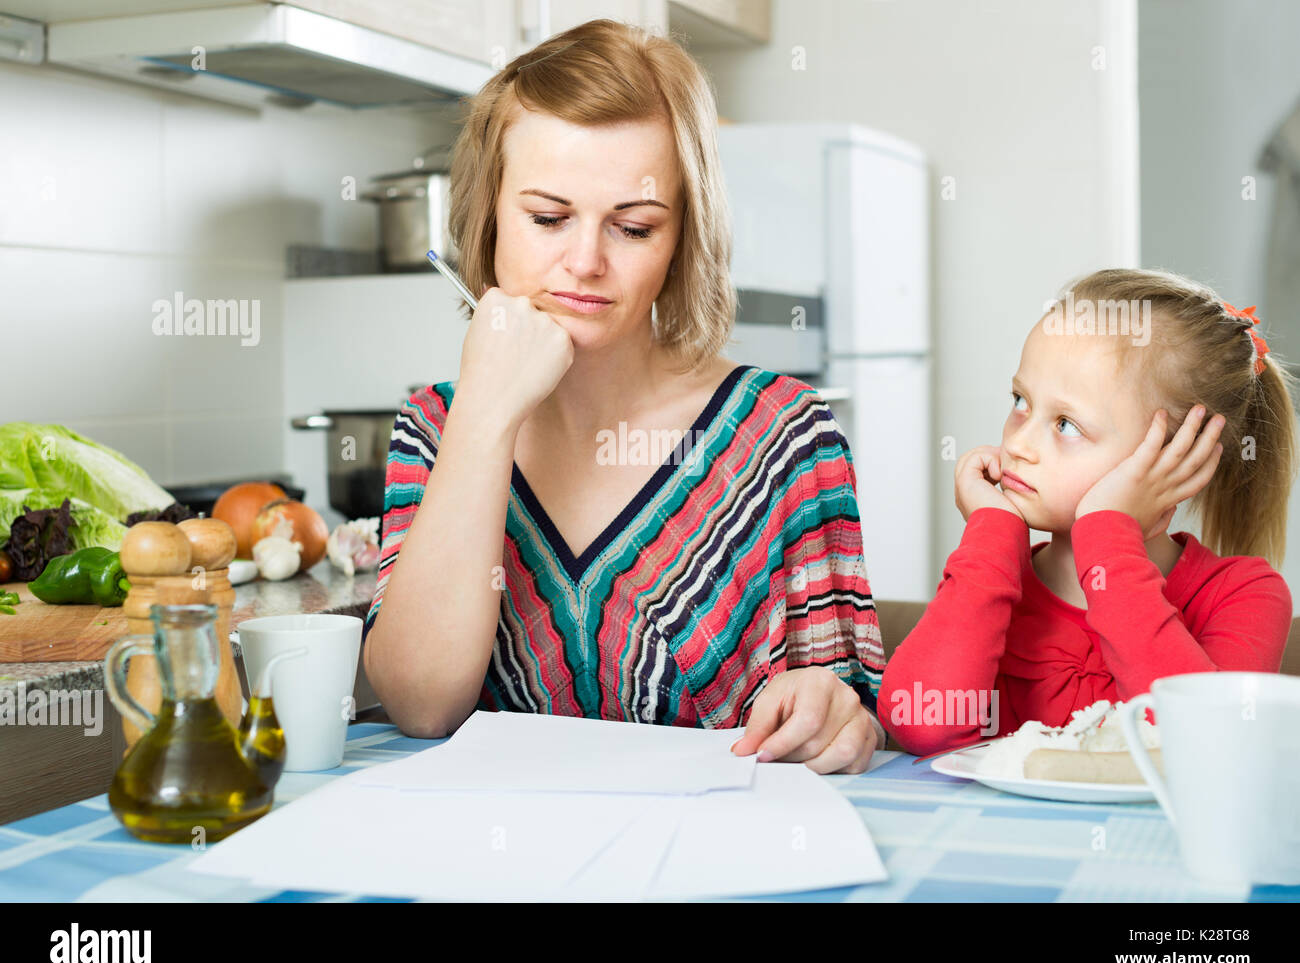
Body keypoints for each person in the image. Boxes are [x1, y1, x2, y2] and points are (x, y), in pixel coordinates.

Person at [362, 20, 887, 774]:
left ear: (682, 239)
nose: (584, 262)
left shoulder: (787, 437)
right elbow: (420, 703)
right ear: (488, 218)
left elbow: (847, 708)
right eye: (547, 219)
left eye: (634, 227)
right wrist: (484, 413)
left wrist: (836, 711)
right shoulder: (435, 426)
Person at [880, 267, 1297, 755]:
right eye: (1020, 401)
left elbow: (1199, 748)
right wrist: (992, 531)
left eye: (1066, 424)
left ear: (1179, 458)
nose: (1019, 442)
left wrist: (1107, 533)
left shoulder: (1245, 595)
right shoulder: (992, 573)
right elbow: (921, 725)